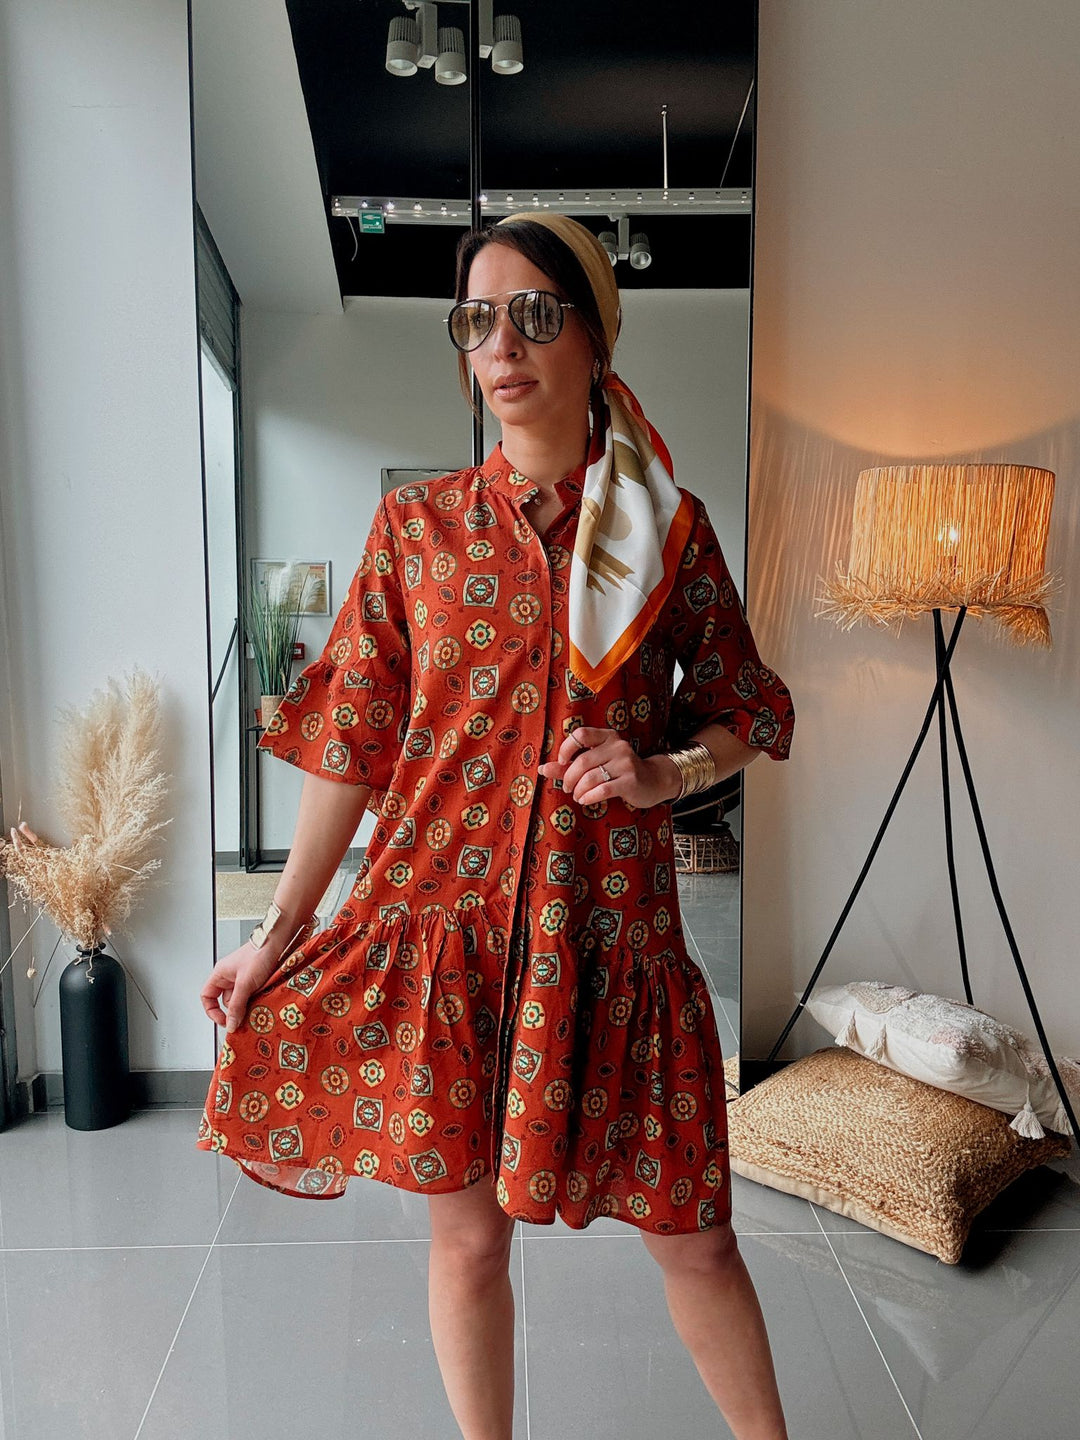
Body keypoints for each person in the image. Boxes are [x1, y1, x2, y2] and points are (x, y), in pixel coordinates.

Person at [198, 212, 795, 1440]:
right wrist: (281, 930)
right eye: (478, 320)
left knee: (698, 1242)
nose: (503, 345)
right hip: (444, 937)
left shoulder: (665, 536)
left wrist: (665, 765)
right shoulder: (416, 535)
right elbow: (351, 750)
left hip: (610, 937)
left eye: (534, 314)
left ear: (592, 333)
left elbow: (748, 704)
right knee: (466, 1245)